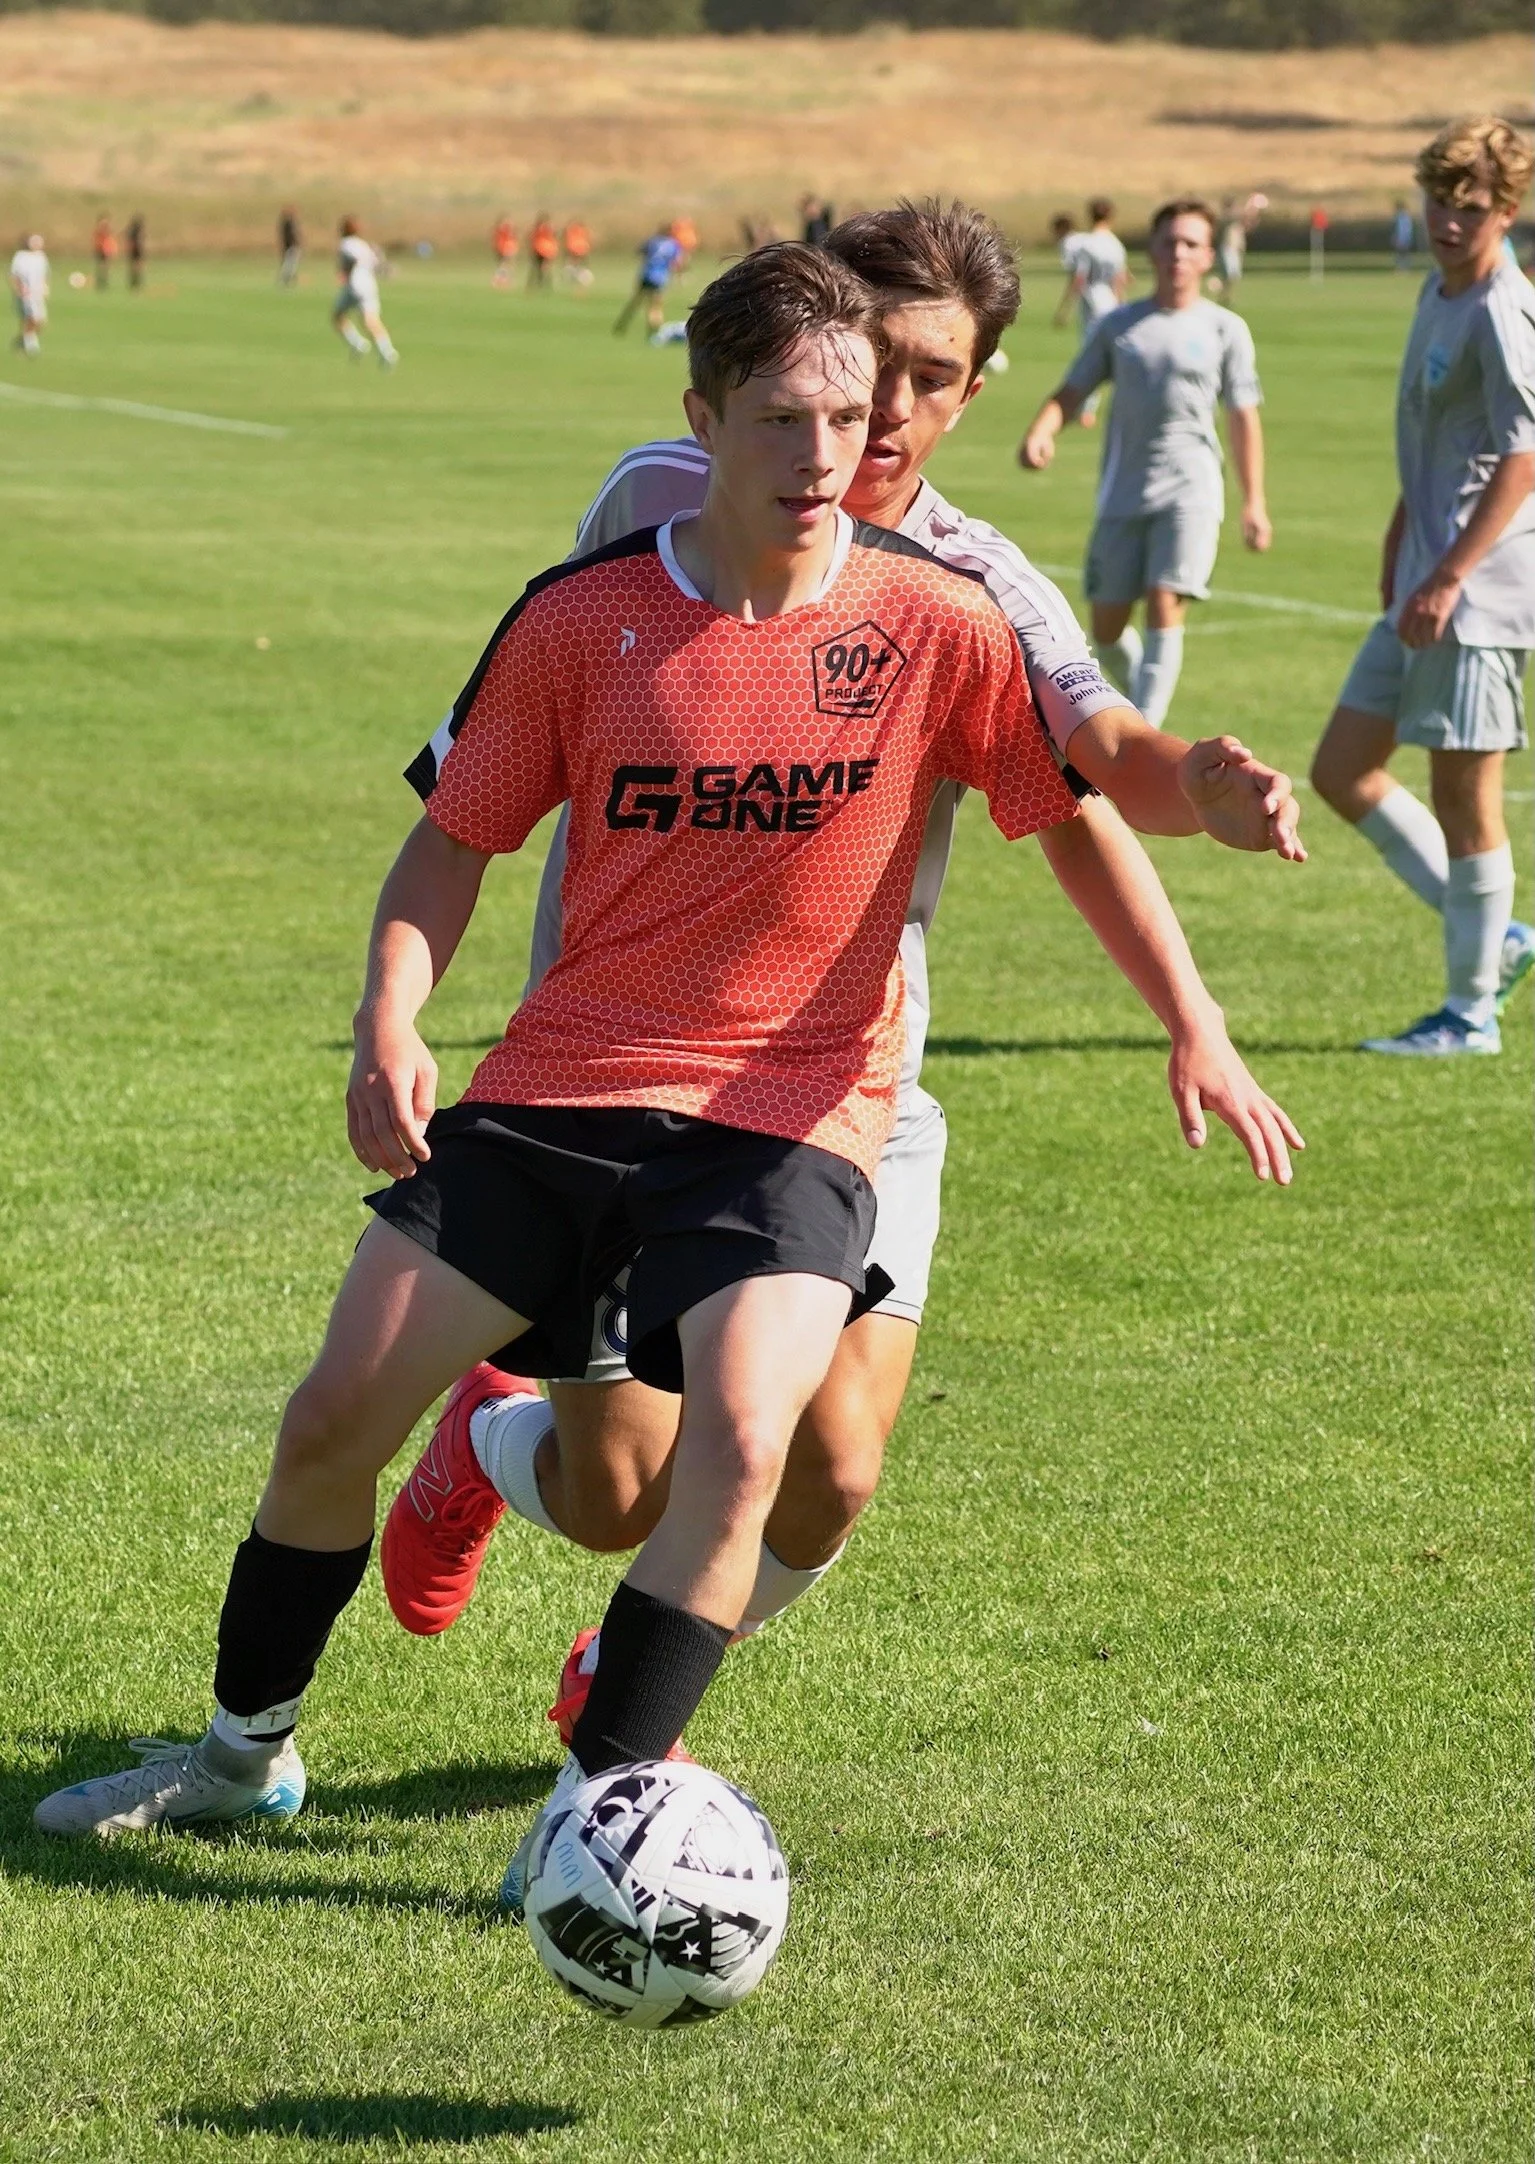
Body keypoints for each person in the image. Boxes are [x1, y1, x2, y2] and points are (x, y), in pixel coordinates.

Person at [33, 242, 1296, 1852]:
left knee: (759, 1454)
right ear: (702, 418)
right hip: (564, 1083)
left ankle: (596, 1813)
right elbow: (453, 837)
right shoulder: (585, 611)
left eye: (858, 415)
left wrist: (1207, 795)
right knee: (335, 1420)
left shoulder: (947, 613)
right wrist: (389, 1017)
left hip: (795, 1113)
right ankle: (236, 1756)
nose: (832, 450)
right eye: (788, 417)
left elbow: (1088, 777)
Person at [382, 203, 1304, 1744]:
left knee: (834, 1463)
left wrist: (1192, 968)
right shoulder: (661, 495)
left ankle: (629, 1715)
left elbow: (1089, 782)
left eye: (928, 378)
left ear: (971, 392)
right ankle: (483, 1450)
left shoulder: (973, 578)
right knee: (613, 1487)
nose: (880, 412)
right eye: (864, 361)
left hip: (844, 1082)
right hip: (614, 1071)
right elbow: (547, 704)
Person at [1311, 117, 1535, 1056]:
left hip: (1475, 597)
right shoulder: (1436, 290)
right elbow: (1435, 442)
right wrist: (1405, 533)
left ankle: (1468, 1013)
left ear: (1507, 210)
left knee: (1463, 800)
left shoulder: (1499, 307)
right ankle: (1500, 940)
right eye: (1438, 200)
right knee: (1340, 771)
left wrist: (1446, 571)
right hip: (1424, 579)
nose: (1448, 220)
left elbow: (1524, 454)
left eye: (1469, 206)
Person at [1019, 197, 1272, 731]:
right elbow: (1073, 389)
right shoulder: (1119, 326)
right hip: (1124, 491)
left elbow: (1243, 418)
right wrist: (1043, 430)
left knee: (1165, 600)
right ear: (1152, 250)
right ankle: (1136, 706)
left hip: (1193, 489)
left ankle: (1144, 737)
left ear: (1207, 257)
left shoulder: (1227, 330)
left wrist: (1254, 501)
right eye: (1169, 242)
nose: (1178, 253)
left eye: (1191, 244)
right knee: (1106, 629)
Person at [1051, 198, 1127, 427]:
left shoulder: (1087, 244)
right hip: (1112, 304)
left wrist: (1065, 308)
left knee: (1092, 357)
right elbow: (1120, 279)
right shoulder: (1115, 244)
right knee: (1113, 355)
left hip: (1092, 304)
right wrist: (1122, 306)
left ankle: (1086, 411)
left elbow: (1079, 277)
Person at [332, 217, 398, 368]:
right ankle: (387, 352)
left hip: (354, 286)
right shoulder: (363, 244)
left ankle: (358, 343)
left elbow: (352, 259)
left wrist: (345, 273)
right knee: (371, 321)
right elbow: (375, 262)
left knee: (337, 316)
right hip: (369, 285)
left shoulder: (346, 244)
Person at [614, 224, 682, 338]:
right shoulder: (674, 245)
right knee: (655, 306)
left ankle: (622, 323)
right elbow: (677, 262)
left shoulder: (652, 241)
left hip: (647, 275)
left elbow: (639, 251)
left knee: (636, 300)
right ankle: (654, 332)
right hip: (660, 278)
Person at [10, 232, 48, 356]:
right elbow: (15, 275)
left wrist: (46, 288)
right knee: (31, 318)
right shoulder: (21, 257)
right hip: (27, 294)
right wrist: (18, 289)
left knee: (41, 321)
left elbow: (44, 275)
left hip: (38, 293)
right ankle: (31, 347)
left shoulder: (41, 257)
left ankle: (23, 340)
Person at [528, 215, 557, 290]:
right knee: (539, 268)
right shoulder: (540, 229)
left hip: (545, 251)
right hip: (540, 250)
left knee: (542, 268)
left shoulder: (543, 229)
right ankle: (538, 284)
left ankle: (543, 285)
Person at [562, 218, 592, 289]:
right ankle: (578, 278)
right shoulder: (582, 230)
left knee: (576, 265)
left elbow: (569, 240)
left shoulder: (571, 230)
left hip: (576, 249)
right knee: (578, 265)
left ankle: (577, 278)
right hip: (580, 249)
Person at [278, 206, 302, 287]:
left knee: (291, 264)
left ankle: (290, 278)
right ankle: (286, 279)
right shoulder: (288, 223)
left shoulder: (289, 223)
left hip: (291, 246)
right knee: (288, 264)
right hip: (290, 246)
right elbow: (290, 236)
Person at [492, 216, 518, 289]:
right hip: (505, 247)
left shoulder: (504, 229)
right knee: (504, 264)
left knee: (505, 264)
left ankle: (503, 279)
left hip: (507, 247)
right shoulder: (503, 230)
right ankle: (500, 279)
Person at [92, 212, 116, 291]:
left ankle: (104, 282)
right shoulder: (99, 230)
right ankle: (100, 283)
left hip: (106, 249)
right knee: (101, 266)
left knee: (105, 267)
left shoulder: (107, 229)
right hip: (100, 249)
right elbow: (97, 239)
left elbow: (109, 238)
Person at [1392, 198, 1417, 272]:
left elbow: (1403, 229)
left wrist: (1400, 238)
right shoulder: (1402, 216)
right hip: (1403, 237)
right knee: (1401, 253)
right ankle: (1401, 267)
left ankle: (1404, 267)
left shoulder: (1403, 217)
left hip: (1403, 237)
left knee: (1403, 253)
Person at [125, 214, 145, 291]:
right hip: (136, 251)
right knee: (136, 268)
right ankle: (135, 284)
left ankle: (136, 284)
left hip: (136, 251)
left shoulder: (133, 231)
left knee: (136, 268)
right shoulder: (136, 232)